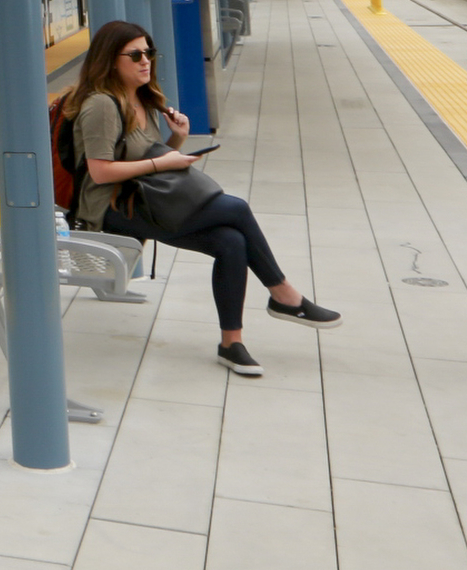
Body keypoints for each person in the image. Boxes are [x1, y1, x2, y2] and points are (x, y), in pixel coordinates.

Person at [66, 19, 338, 375]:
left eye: (149, 52)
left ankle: (232, 343)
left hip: (141, 199)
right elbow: (101, 172)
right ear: (109, 60)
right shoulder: (102, 104)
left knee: (230, 242)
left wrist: (177, 139)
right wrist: (164, 160)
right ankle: (284, 295)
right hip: (110, 207)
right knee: (236, 209)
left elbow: (144, 156)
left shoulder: (141, 99)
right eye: (134, 55)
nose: (145, 60)